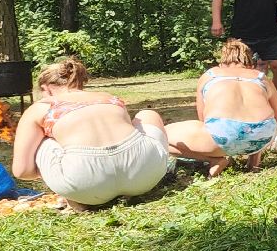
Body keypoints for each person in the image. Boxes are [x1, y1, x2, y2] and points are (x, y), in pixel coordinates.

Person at [11, 57, 171, 210]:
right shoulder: (110, 98)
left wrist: (50, 170)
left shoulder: (42, 107)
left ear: (46, 88)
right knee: (147, 115)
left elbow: (22, 171)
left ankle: (81, 196)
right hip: (145, 174)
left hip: (83, 184)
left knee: (41, 139)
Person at [164, 39, 277, 176]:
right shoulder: (260, 77)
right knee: (259, 120)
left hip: (222, 135)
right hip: (262, 136)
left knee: (160, 136)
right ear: (249, 61)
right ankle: (254, 160)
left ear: (222, 60)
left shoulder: (210, 75)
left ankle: (215, 159)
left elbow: (203, 119)